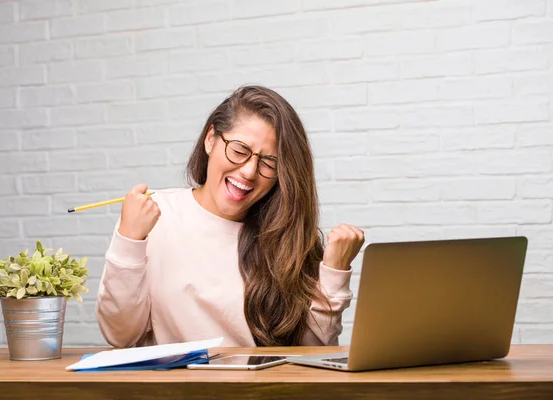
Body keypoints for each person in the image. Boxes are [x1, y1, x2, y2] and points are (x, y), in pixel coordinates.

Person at [96, 85, 365, 347]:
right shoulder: (151, 216)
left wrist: (334, 271)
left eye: (269, 163)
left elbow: (312, 353)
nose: (249, 171)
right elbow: (121, 336)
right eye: (239, 150)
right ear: (211, 139)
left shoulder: (286, 238)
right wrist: (129, 239)